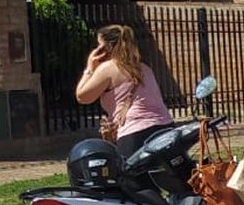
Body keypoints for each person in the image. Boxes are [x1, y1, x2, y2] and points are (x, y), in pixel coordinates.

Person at [74, 24, 176, 159]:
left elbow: (82, 96)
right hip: (166, 127)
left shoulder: (108, 69)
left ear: (105, 48)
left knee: (128, 177)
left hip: (135, 132)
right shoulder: (144, 68)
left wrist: (89, 68)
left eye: (98, 45)